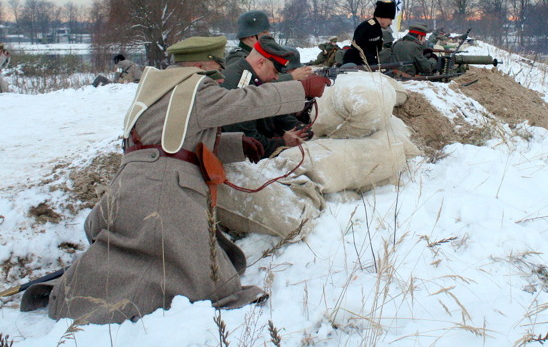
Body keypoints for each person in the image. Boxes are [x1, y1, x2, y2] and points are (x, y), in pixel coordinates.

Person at [22, 35, 331, 324]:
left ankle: (86, 280)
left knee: (143, 253)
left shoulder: (159, 89)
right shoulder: (194, 89)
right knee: (205, 279)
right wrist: (300, 89)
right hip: (163, 193)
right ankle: (92, 293)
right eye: (215, 67)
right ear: (198, 66)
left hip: (132, 188)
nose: (220, 76)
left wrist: (236, 145)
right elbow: (242, 102)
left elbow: (176, 141)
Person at [222, 36, 311, 158]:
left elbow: (270, 109)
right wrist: (282, 142)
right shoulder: (239, 87)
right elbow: (247, 143)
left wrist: (298, 127)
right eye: (275, 71)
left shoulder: (252, 77)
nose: (276, 78)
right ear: (261, 63)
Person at [223, 10, 311, 86]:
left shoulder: (258, 54)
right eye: (264, 32)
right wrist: (291, 77)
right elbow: (255, 87)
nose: (268, 35)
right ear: (251, 36)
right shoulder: (236, 58)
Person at [342, 0, 396, 66]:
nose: (391, 23)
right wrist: (372, 63)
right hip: (357, 64)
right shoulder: (367, 28)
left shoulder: (376, 29)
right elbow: (360, 49)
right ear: (382, 17)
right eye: (390, 19)